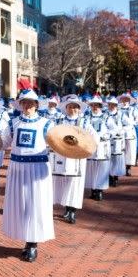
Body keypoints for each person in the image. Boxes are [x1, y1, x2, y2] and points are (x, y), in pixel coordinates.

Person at [1, 89, 55, 263]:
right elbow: (2, 143)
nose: (28, 105)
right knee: (21, 205)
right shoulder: (13, 123)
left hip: (37, 170)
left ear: (37, 105)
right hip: (17, 168)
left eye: (31, 102)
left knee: (35, 205)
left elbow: (57, 144)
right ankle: (25, 239)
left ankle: (32, 244)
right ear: (20, 104)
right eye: (24, 102)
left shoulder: (47, 124)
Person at [52, 95, 97, 223]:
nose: (72, 109)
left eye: (75, 107)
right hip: (62, 155)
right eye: (70, 107)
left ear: (79, 109)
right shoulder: (59, 121)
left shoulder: (84, 122)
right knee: (63, 182)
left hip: (77, 158)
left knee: (75, 184)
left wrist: (86, 148)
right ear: (66, 108)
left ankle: (72, 210)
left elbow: (94, 137)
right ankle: (66, 208)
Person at [84, 95, 112, 201]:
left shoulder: (106, 117)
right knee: (90, 168)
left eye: (97, 105)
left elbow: (114, 129)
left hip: (102, 146)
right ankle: (92, 189)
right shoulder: (86, 118)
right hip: (90, 146)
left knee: (101, 168)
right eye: (93, 105)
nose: (95, 107)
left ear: (101, 106)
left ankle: (99, 191)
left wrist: (106, 135)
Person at [118, 93, 138, 175]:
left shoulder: (133, 109)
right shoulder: (118, 109)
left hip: (130, 132)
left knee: (130, 150)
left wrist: (133, 123)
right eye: (123, 99)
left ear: (129, 100)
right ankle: (119, 167)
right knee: (120, 149)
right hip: (120, 131)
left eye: (126, 99)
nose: (124, 101)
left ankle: (128, 167)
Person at [105, 97, 128, 187]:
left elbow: (129, 124)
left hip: (118, 139)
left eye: (113, 104)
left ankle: (115, 175)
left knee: (117, 158)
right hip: (108, 139)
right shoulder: (105, 114)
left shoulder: (121, 114)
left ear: (116, 105)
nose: (111, 106)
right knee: (108, 157)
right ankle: (110, 175)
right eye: (109, 104)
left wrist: (122, 130)